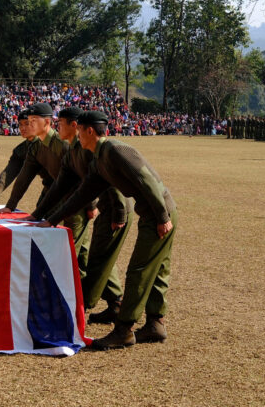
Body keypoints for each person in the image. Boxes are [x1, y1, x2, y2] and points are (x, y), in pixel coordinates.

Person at [44, 110, 177, 350]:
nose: (78, 136)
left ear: (89, 131)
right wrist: (52, 219)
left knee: (140, 270)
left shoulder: (116, 151)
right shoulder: (98, 160)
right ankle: (156, 324)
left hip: (159, 213)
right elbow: (83, 194)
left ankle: (124, 330)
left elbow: (147, 180)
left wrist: (162, 216)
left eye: (80, 131)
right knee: (157, 269)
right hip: (155, 213)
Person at [32, 111, 131, 324]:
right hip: (101, 207)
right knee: (96, 258)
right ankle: (115, 303)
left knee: (94, 261)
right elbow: (61, 186)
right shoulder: (73, 151)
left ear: (76, 126)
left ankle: (82, 308)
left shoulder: (88, 150)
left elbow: (111, 181)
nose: (58, 127)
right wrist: (39, 215)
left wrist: (116, 211)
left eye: (61, 123)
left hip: (112, 208)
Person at [0, 110, 34, 203]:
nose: (22, 128)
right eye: (20, 124)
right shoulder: (21, 150)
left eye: (27, 124)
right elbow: (9, 172)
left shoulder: (50, 144)